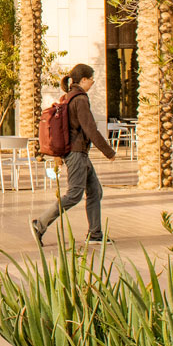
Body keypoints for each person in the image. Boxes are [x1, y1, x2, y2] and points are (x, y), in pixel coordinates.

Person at [31, 63, 115, 245]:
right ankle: (40, 224)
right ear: (83, 79)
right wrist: (109, 152)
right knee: (74, 194)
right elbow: (90, 129)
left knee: (95, 190)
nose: (93, 82)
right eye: (91, 78)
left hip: (78, 153)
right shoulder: (80, 100)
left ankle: (95, 234)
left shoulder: (68, 97)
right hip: (77, 154)